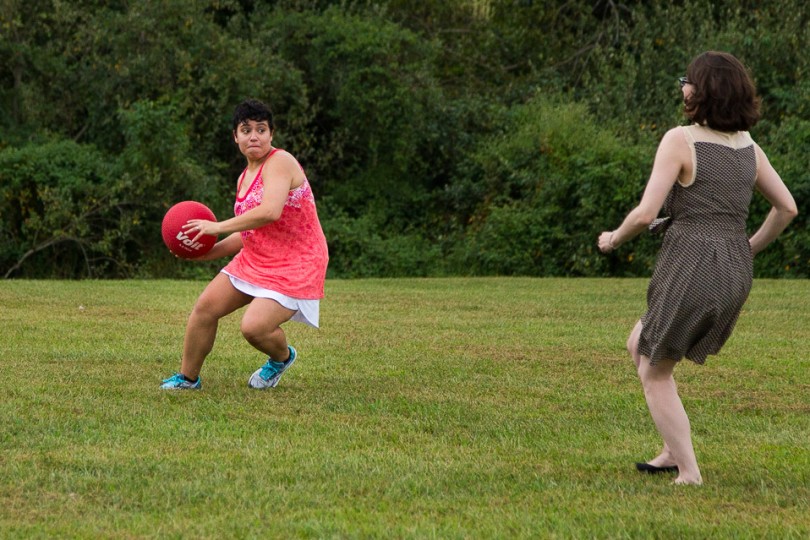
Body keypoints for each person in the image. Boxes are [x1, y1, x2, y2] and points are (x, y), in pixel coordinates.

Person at [598, 51, 797, 485]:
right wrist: (747, 249)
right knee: (640, 341)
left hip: (692, 264)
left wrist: (613, 238)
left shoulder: (680, 140)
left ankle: (688, 471)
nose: (682, 87)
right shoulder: (748, 147)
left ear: (701, 91)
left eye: (686, 81)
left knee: (654, 368)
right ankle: (671, 450)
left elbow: (645, 212)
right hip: (733, 271)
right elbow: (787, 208)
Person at [161, 99, 328, 390]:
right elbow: (250, 232)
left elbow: (270, 212)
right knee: (204, 309)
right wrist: (207, 253)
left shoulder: (281, 162)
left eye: (261, 130)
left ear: (271, 135)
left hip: (296, 262)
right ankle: (188, 379)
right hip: (257, 257)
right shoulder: (243, 177)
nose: (254, 136)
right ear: (235, 137)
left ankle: (282, 357)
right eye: (246, 129)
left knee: (254, 328)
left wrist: (216, 227)